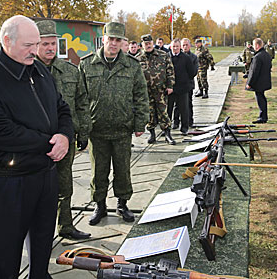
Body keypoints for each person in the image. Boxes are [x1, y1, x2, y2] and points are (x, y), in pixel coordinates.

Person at [0, 15, 73, 279]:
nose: (35, 51)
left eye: (37, 44)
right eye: (28, 45)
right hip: (8, 180)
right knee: (6, 253)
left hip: (45, 173)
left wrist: (65, 135)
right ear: (7, 41)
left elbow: (62, 109)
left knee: (42, 240)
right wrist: (50, 143)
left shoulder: (39, 70)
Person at [79, 22, 149, 226]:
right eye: (111, 39)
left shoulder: (132, 65)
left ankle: (122, 204)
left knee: (123, 170)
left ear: (123, 42)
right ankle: (99, 205)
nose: (114, 43)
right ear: (103, 39)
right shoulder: (87, 64)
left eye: (118, 40)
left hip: (122, 129)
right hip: (97, 129)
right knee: (98, 172)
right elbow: (80, 99)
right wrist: (83, 128)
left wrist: (140, 123)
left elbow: (141, 97)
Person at [35, 20, 91, 241]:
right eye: (45, 44)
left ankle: (66, 225)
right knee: (38, 188)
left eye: (53, 43)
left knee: (65, 183)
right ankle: (40, 231)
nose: (50, 48)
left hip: (66, 138)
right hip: (37, 142)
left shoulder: (70, 71)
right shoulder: (26, 72)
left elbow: (82, 102)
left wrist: (84, 131)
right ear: (35, 45)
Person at [138, 34, 176, 145]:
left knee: (163, 112)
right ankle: (152, 134)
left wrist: (170, 85)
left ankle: (167, 135)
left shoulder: (163, 55)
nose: (148, 45)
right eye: (146, 44)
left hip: (161, 90)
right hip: (146, 92)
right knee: (150, 113)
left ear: (153, 43)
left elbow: (170, 71)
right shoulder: (138, 58)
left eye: (149, 43)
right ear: (142, 45)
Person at [167, 38, 195, 135]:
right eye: (173, 47)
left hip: (183, 88)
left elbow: (192, 72)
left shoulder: (186, 58)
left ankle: (184, 128)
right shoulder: (167, 57)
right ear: (170, 47)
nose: (175, 48)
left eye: (177, 46)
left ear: (180, 47)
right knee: (168, 110)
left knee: (184, 109)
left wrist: (185, 80)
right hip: (170, 88)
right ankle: (167, 129)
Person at [245, 38, 272, 124]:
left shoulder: (257, 57)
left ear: (257, 45)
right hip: (265, 81)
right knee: (262, 98)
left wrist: (249, 83)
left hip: (259, 83)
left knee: (260, 99)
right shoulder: (267, 55)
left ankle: (262, 117)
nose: (253, 46)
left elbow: (254, 72)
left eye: (253, 45)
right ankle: (264, 116)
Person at [174, 38, 198, 128]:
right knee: (176, 105)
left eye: (186, 45)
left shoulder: (193, 57)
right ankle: (176, 121)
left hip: (188, 84)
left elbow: (194, 71)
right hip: (177, 85)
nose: (185, 47)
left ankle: (189, 121)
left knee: (188, 104)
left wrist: (185, 78)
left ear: (190, 45)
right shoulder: (177, 56)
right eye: (183, 45)